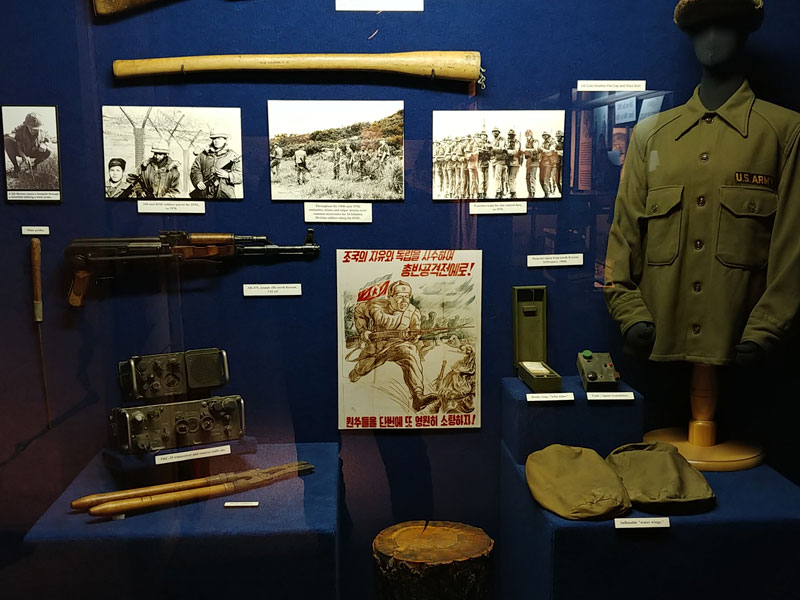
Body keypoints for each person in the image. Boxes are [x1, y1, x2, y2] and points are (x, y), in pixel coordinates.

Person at [605, 0, 800, 369]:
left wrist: (765, 329)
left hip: (742, 343)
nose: (711, 38)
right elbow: (623, 238)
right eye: (699, 26)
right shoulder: (650, 135)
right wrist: (629, 313)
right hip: (659, 335)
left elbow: (793, 249)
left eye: (725, 24)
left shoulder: (783, 132)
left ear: (745, 33)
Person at [349, 280, 438, 411]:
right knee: (362, 369)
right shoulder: (375, 306)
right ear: (390, 297)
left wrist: (410, 336)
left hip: (398, 346)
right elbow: (359, 311)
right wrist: (363, 331)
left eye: (407, 296)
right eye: (400, 296)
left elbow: (415, 335)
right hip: (376, 346)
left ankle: (417, 396)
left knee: (411, 352)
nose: (404, 300)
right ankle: (353, 376)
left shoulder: (413, 312)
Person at [190, 132, 242, 199]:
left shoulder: (233, 156)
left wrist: (228, 175)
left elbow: (240, 175)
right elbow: (195, 169)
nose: (216, 141)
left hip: (224, 195)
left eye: (219, 138)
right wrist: (198, 181)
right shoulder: (203, 155)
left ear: (225, 140)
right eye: (214, 138)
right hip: (204, 194)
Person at [4, 112, 52, 178]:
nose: (33, 131)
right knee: (7, 142)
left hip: (34, 151)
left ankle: (34, 166)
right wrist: (24, 157)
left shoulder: (42, 131)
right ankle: (16, 167)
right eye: (31, 128)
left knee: (48, 150)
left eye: (35, 130)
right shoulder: (20, 129)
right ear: (26, 125)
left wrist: (45, 144)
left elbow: (49, 140)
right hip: (22, 150)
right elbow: (18, 145)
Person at [538, 131, 558, 198]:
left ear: (548, 135)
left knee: (546, 180)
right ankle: (546, 193)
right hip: (543, 163)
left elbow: (550, 152)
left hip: (549, 163)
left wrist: (543, 150)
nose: (544, 137)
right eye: (543, 135)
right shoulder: (543, 143)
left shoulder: (552, 142)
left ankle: (548, 194)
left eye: (546, 135)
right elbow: (540, 150)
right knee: (541, 180)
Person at [490, 127, 507, 199]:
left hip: (500, 161)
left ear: (498, 132)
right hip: (494, 161)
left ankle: (499, 192)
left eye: (496, 131)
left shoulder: (502, 139)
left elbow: (501, 149)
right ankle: (500, 191)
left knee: (498, 177)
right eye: (493, 131)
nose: (494, 133)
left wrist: (492, 147)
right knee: (497, 177)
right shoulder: (493, 140)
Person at [506, 129, 523, 198]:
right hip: (509, 162)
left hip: (515, 162)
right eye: (509, 135)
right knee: (509, 178)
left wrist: (507, 151)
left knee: (512, 178)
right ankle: (511, 192)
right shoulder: (508, 142)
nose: (510, 136)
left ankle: (513, 193)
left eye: (512, 135)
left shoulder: (517, 142)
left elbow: (515, 151)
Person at [524, 129, 541, 197]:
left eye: (528, 134)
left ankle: (533, 192)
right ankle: (529, 193)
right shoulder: (527, 142)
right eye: (526, 135)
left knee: (532, 177)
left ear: (531, 134)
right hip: (528, 162)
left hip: (534, 162)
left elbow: (535, 149)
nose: (527, 136)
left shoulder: (535, 141)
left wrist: (527, 150)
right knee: (527, 178)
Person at [554, 129, 564, 194]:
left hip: (563, 164)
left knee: (560, 181)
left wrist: (558, 152)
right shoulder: (558, 144)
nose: (557, 138)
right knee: (557, 181)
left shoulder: (564, 143)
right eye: (557, 137)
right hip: (558, 163)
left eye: (559, 136)